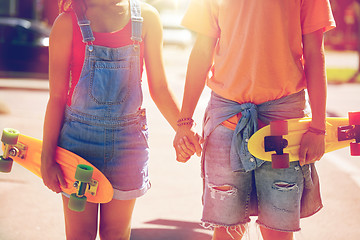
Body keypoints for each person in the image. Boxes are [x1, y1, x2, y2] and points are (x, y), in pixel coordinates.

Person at [174, 0, 336, 239]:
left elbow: (314, 53)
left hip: (282, 126)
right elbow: (202, 48)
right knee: (226, 229)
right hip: (226, 121)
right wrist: (184, 123)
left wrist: (318, 127)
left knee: (277, 230)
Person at [40, 0, 185, 239]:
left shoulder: (147, 18)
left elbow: (159, 88)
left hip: (128, 147)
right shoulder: (66, 23)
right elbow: (56, 98)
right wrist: (47, 158)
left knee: (115, 234)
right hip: (78, 146)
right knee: (80, 235)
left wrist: (183, 128)